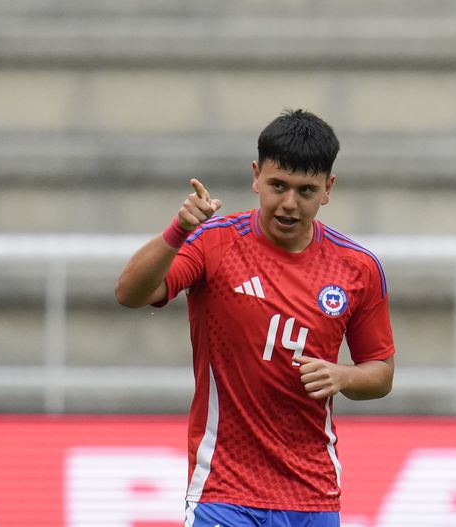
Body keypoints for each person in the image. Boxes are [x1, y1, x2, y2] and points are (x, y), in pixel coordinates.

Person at [115, 109, 395, 527]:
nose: (288, 203)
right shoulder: (215, 243)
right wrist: (178, 230)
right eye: (277, 185)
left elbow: (381, 372)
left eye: (305, 190)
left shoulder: (357, 268)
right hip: (223, 489)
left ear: (328, 189)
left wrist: (342, 376)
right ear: (256, 177)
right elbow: (130, 294)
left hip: (312, 493)